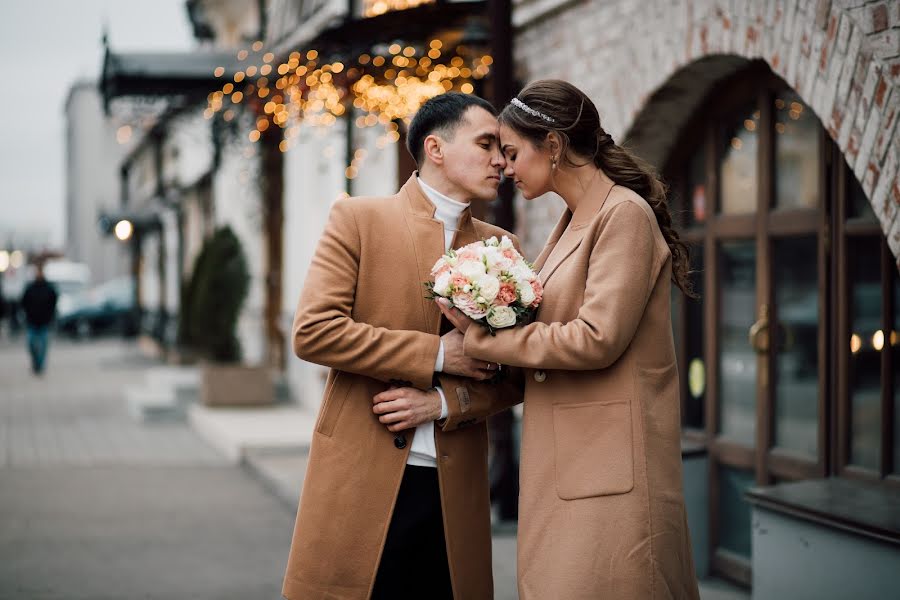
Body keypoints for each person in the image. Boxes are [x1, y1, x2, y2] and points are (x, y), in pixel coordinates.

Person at [438, 80, 701, 599]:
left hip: (609, 470)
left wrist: (484, 338)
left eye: (512, 153)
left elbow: (596, 338)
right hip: (569, 462)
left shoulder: (622, 213)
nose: (506, 167)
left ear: (553, 145)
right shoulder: (572, 220)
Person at [282, 92, 521, 600]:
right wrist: (436, 355)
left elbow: (516, 376)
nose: (501, 159)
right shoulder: (358, 219)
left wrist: (442, 403)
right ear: (435, 148)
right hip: (361, 476)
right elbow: (314, 330)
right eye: (486, 144)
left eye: (502, 148)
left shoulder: (503, 248)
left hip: (456, 485)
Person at [21, 263, 59, 375]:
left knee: (43, 346)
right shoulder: (30, 288)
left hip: (44, 322)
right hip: (32, 321)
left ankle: (40, 366)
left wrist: (50, 315)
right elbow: (23, 302)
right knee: (31, 344)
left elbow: (54, 302)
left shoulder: (49, 288)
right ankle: (35, 362)